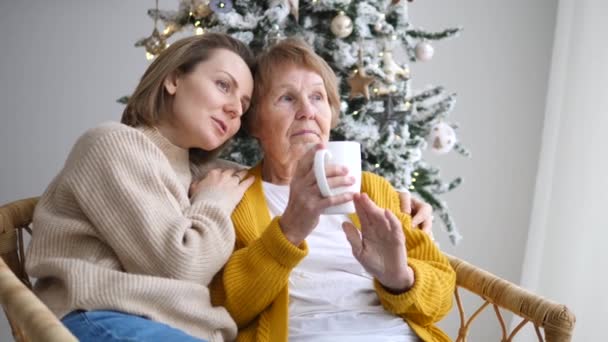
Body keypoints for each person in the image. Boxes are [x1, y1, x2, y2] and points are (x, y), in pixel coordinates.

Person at [209, 38, 456, 342]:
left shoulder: (373, 189)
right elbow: (227, 308)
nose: (307, 111)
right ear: (255, 122)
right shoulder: (237, 197)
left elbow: (442, 296)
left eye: (317, 97)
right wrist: (288, 232)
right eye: (287, 98)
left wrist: (400, 278)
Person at [25, 33, 256, 342]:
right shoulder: (112, 144)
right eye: (223, 85)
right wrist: (213, 203)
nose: (235, 110)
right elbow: (179, 267)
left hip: (169, 328)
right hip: (98, 315)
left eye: (244, 104)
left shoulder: (205, 173)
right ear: (174, 79)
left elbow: (276, 180)